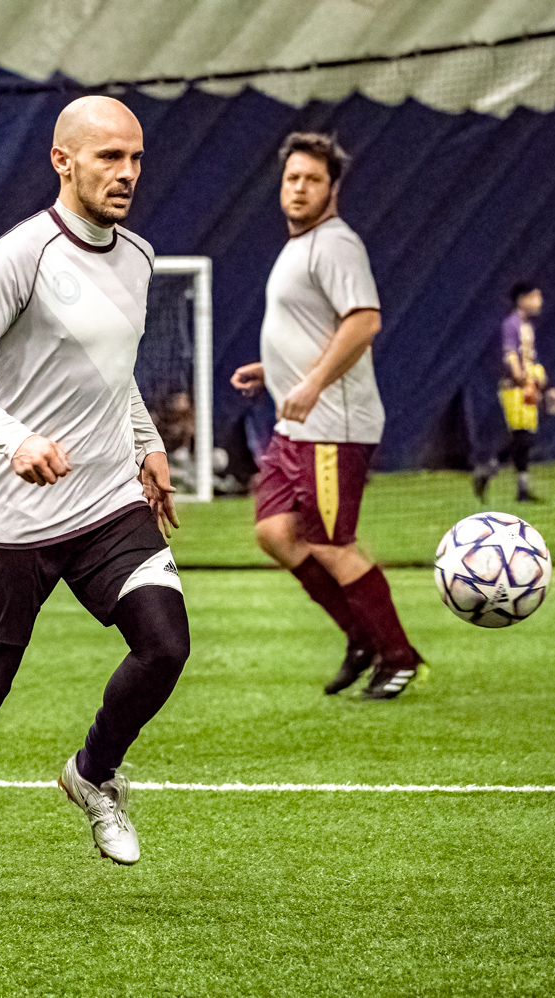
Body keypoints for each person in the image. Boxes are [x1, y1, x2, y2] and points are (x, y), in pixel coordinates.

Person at [0, 96, 188, 914]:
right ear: (63, 162)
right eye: (108, 158)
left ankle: (93, 775)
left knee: (165, 645)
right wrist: (14, 437)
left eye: (135, 157)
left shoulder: (138, 256)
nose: (126, 173)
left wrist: (148, 445)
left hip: (105, 499)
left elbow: (112, 367)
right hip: (15, 516)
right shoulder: (19, 254)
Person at [230, 133, 422, 701]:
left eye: (312, 180)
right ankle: (361, 636)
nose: (298, 188)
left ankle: (398, 656)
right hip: (300, 425)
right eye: (292, 178)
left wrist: (311, 383)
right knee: (274, 532)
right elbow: (316, 327)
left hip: (334, 427)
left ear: (332, 189)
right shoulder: (299, 245)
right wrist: (275, 369)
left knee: (331, 542)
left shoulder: (336, 243)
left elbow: (363, 322)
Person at [473, 282, 555, 503]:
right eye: (534, 297)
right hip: (515, 387)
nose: (538, 302)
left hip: (528, 384)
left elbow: (531, 358)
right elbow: (510, 354)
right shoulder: (512, 324)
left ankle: (519, 488)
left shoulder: (527, 326)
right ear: (522, 299)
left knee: (524, 438)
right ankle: (489, 470)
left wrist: (544, 384)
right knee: (523, 436)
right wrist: (522, 379)